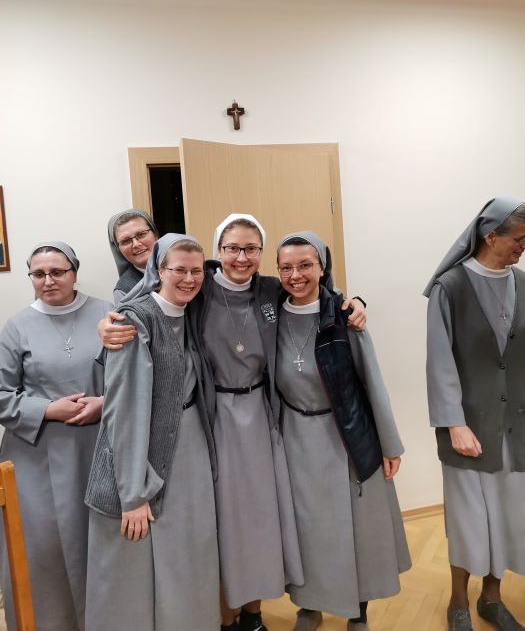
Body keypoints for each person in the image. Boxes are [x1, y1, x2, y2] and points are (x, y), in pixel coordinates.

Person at [99, 213, 367, 631]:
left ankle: (253, 609)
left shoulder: (270, 289)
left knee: (258, 516)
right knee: (218, 519)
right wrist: (109, 322)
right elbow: (149, 299)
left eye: (251, 249)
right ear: (218, 251)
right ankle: (224, 613)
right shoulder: (199, 286)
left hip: (261, 415)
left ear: (261, 252)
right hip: (211, 417)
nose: (241, 257)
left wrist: (354, 302)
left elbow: (315, 290)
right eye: (232, 248)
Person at [275, 231, 410, 631]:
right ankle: (309, 605)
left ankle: (357, 610)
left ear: (322, 267)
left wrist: (389, 444)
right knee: (306, 529)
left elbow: (372, 380)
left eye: (305, 265)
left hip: (345, 435)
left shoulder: (344, 315)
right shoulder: (270, 313)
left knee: (357, 529)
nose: (296, 275)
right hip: (294, 438)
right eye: (286, 267)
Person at [85, 233, 220, 631]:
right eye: (179, 270)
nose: (189, 279)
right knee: (139, 563)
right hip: (143, 452)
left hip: (190, 446)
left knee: (188, 552)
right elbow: (123, 411)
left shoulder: (191, 311)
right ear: (158, 272)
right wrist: (132, 494)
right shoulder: (134, 320)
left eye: (196, 271)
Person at [424, 197, 525, 631]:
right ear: (491, 236)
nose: (523, 246)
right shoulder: (450, 287)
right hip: (467, 426)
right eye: (519, 238)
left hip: (516, 426)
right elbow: (439, 361)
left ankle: (491, 598)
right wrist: (454, 423)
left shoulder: (522, 283)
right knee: (467, 520)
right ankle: (458, 602)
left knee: (507, 514)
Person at [0, 242, 111, 631]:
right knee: (44, 550)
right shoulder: (16, 327)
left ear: (74, 272)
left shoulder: (107, 313)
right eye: (39, 274)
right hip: (38, 457)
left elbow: (132, 375)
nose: (48, 281)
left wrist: (104, 402)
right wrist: (48, 409)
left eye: (57, 272)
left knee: (101, 546)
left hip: (99, 447)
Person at [107, 208, 158, 303]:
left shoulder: (183, 266)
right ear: (118, 249)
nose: (136, 244)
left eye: (141, 234)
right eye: (126, 241)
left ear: (155, 235)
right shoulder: (123, 291)